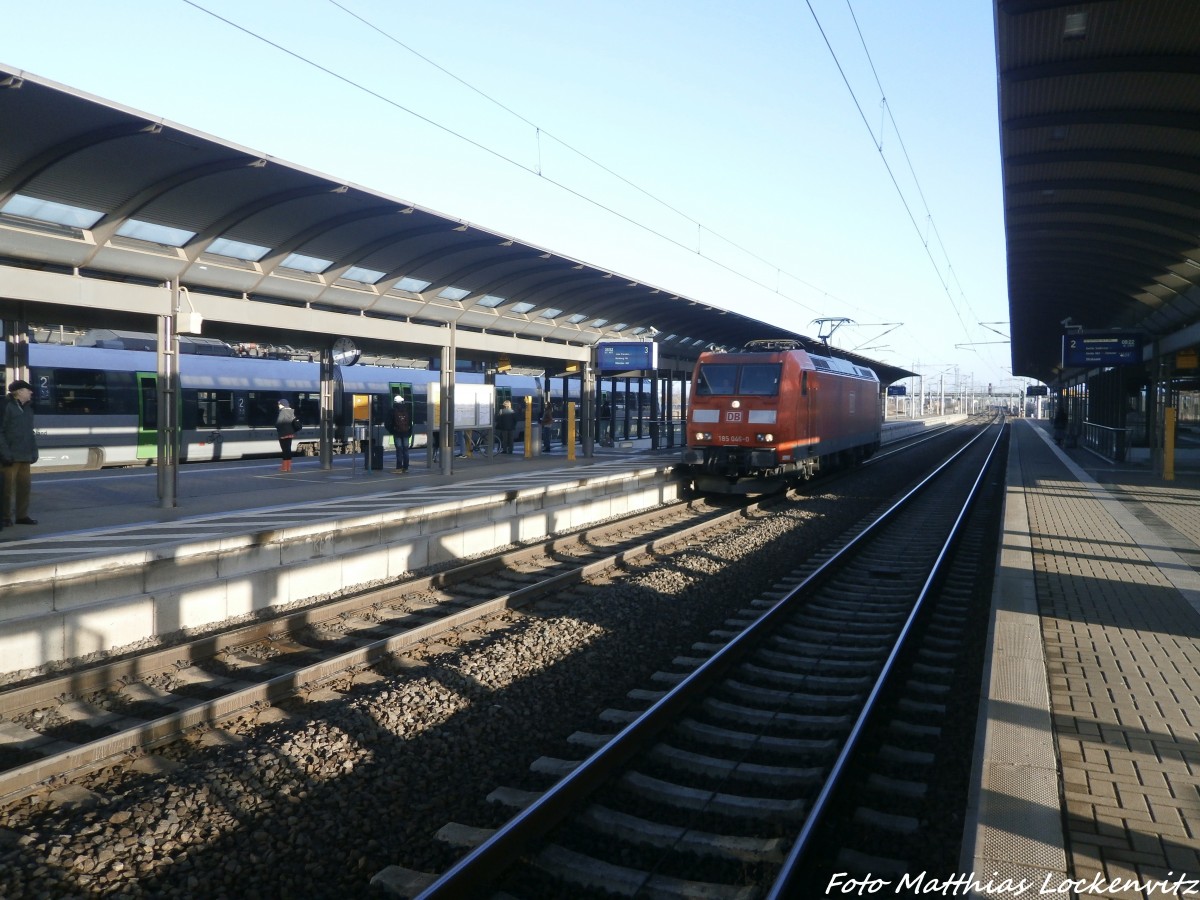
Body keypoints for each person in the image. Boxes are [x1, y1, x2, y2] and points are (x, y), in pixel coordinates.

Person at [0, 379, 39, 526]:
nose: (31, 392)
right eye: (28, 390)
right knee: (6, 489)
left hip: (25, 455)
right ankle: (5, 517)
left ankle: (22, 515)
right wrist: (4, 452)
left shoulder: (29, 409)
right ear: (19, 392)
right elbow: (1, 431)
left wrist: (34, 451)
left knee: (24, 487)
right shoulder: (6, 407)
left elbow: (30, 433)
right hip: (10, 455)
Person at [386, 395, 413, 471]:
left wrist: (392, 431)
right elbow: (410, 423)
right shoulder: (407, 410)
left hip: (397, 433)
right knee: (406, 450)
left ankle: (399, 468)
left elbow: (387, 423)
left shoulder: (392, 410)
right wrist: (409, 432)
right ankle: (406, 467)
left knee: (399, 450)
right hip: (406, 433)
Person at [275, 399, 298, 472]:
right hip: (290, 434)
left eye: (279, 404)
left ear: (283, 404)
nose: (278, 405)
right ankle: (288, 467)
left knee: (284, 450)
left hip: (283, 434)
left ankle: (284, 467)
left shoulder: (282, 412)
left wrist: (277, 426)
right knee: (288, 450)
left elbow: (278, 423)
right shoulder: (291, 411)